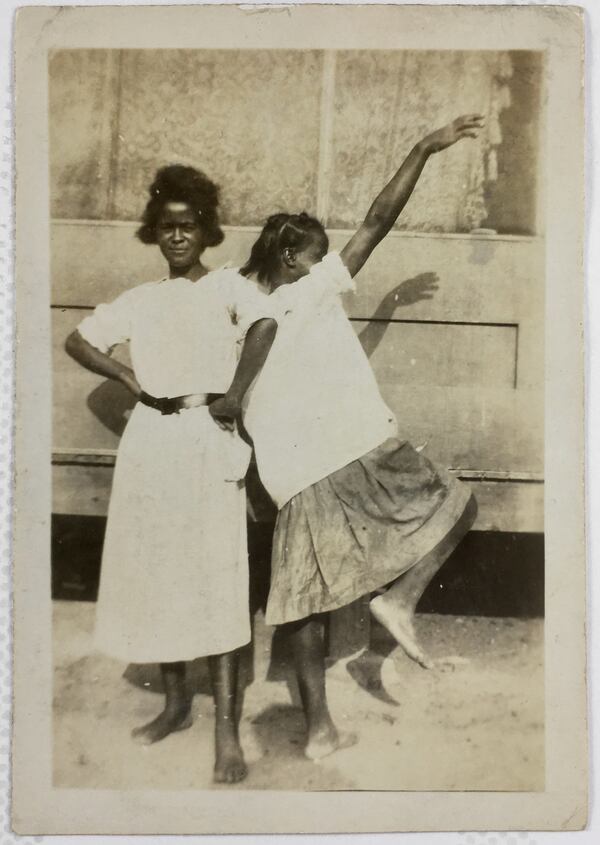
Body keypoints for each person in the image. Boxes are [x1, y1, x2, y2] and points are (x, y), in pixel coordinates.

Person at [209, 115, 484, 761]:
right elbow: (377, 221)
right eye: (317, 251)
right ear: (291, 257)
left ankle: (324, 725)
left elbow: (375, 222)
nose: (331, 260)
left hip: (297, 468)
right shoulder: (300, 287)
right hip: (344, 450)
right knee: (456, 506)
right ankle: (398, 605)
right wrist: (421, 147)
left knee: (309, 604)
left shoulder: (240, 296)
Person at [65, 165, 276, 783]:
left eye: (187, 226)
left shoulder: (231, 288)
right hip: (151, 443)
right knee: (160, 576)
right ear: (154, 233)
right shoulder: (141, 299)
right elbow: (77, 340)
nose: (176, 237)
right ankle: (177, 704)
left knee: (217, 581)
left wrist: (234, 394)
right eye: (166, 227)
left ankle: (227, 733)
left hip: (206, 439)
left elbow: (266, 325)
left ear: (207, 231)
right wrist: (128, 379)